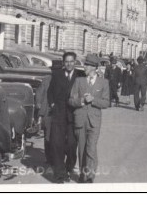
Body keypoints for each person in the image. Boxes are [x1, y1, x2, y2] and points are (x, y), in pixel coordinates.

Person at [68, 54, 110, 183]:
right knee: (81, 149)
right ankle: (83, 174)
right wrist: (81, 100)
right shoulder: (79, 81)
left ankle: (90, 175)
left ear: (94, 68)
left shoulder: (104, 82)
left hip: (94, 121)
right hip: (80, 119)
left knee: (91, 148)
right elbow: (71, 100)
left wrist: (93, 100)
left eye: (87, 65)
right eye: (85, 64)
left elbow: (106, 103)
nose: (84, 67)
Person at [47, 51, 82, 183]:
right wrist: (52, 104)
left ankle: (68, 168)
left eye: (71, 61)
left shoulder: (80, 75)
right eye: (66, 62)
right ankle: (59, 175)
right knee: (57, 144)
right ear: (63, 63)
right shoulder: (57, 75)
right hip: (58, 114)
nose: (69, 64)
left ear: (75, 62)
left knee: (72, 145)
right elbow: (50, 92)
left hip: (74, 115)